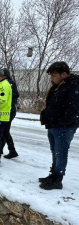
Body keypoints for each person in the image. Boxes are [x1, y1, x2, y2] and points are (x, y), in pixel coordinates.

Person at [39, 61, 79, 190]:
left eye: (54, 75)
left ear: (64, 74)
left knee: (60, 152)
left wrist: (61, 123)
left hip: (64, 127)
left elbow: (73, 109)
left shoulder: (73, 86)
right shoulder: (60, 86)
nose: (52, 77)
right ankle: (53, 175)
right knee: (55, 151)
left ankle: (58, 179)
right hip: (54, 125)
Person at [2, 68, 20, 159]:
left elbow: (14, 95)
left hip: (9, 111)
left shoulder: (9, 84)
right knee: (3, 130)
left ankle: (12, 150)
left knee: (5, 131)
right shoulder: (7, 83)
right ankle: (0, 148)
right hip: (8, 110)